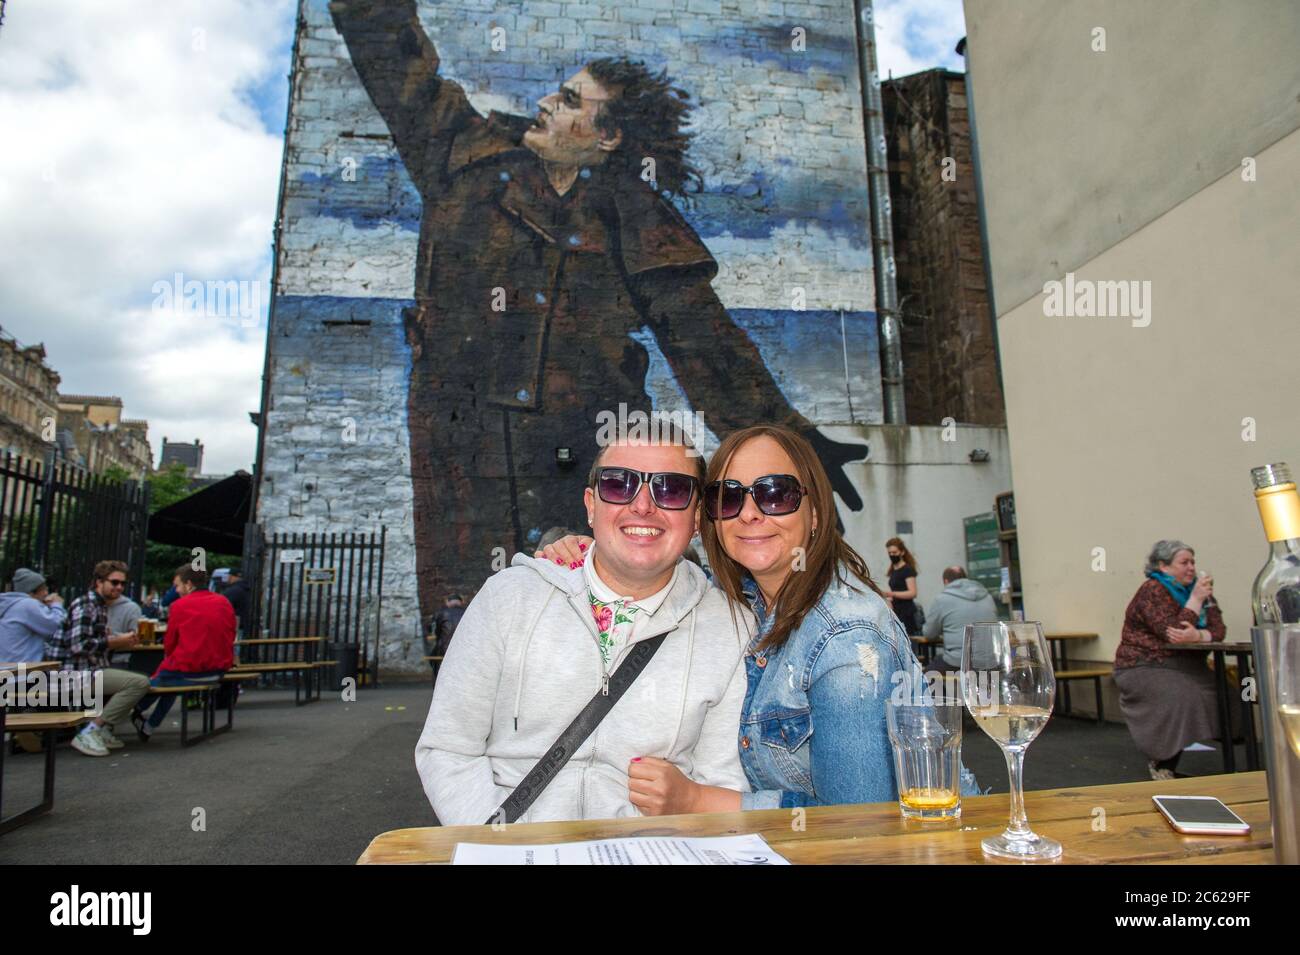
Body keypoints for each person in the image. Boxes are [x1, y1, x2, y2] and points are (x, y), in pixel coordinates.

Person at [329, 0, 867, 632]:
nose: (545, 104)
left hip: (587, 462)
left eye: (568, 100)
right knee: (473, 628)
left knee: (608, 627)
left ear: (606, 137)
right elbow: (396, 64)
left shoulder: (633, 216)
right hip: (465, 453)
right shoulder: (461, 154)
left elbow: (703, 340)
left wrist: (791, 440)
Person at [541, 425, 980, 811]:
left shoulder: (847, 638)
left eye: (776, 494)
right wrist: (595, 549)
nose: (750, 513)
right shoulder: (745, 600)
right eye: (728, 497)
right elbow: (660, 568)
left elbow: (855, 825)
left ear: (814, 513)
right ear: (709, 518)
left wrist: (696, 800)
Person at [415, 435, 749, 824]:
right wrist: (499, 846)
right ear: (591, 505)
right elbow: (449, 749)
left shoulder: (729, 627)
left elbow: (721, 780)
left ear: (695, 518)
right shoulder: (508, 598)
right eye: (618, 484)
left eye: (670, 489)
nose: (642, 505)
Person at [1113, 540, 1226, 781]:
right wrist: (1195, 601)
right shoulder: (1152, 590)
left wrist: (1199, 635)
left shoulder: (1200, 590)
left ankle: (1239, 763)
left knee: (1228, 696)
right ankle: (1163, 761)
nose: (1191, 568)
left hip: (1187, 666)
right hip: (1144, 664)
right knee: (1183, 697)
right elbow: (1173, 632)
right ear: (1163, 567)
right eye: (1184, 562)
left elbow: (1219, 629)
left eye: (1193, 562)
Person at [44, 560, 150, 756]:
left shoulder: (98, 605)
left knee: (130, 680)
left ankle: (100, 730)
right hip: (73, 673)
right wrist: (114, 642)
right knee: (139, 683)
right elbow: (79, 646)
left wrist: (117, 639)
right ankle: (92, 730)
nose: (119, 587)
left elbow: (92, 640)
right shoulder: (86, 605)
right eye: (114, 582)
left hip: (86, 670)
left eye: (122, 583)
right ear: (98, 582)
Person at [132, 565, 236, 742]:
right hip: (217, 671)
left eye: (177, 585)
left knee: (158, 682)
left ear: (188, 584)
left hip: (190, 670)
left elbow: (170, 643)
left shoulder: (180, 605)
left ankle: (133, 710)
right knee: (169, 683)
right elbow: (231, 633)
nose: (176, 590)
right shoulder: (223, 601)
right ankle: (148, 726)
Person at [922, 566, 998, 673]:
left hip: (959, 661)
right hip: (990, 662)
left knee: (926, 676)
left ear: (946, 581)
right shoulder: (987, 597)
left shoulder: (942, 599)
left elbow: (929, 633)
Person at [0, 568, 66, 663]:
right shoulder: (28, 605)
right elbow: (57, 627)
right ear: (31, 592)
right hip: (23, 673)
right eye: (43, 589)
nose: (46, 593)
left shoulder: (11, 604)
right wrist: (57, 605)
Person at [883, 537, 921, 635]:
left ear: (902, 552)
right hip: (896, 611)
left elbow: (912, 592)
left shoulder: (907, 570)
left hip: (907, 613)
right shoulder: (893, 570)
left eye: (894, 552)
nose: (892, 555)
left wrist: (891, 594)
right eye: (889, 553)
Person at [424, 593, 465, 683]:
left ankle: (438, 683)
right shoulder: (467, 612)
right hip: (464, 648)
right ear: (461, 602)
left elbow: (435, 630)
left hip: (445, 649)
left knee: (433, 659)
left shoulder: (442, 613)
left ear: (448, 602)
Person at [221, 568, 251, 636]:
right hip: (243, 625)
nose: (228, 578)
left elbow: (222, 608)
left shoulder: (233, 591)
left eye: (228, 575)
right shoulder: (245, 589)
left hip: (233, 627)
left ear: (232, 576)